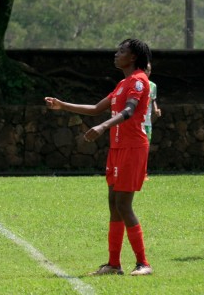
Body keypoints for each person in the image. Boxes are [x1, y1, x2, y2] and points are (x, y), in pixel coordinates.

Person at [45, 38, 153, 277]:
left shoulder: (138, 81)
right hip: (117, 148)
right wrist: (62, 105)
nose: (116, 54)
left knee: (123, 204)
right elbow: (96, 109)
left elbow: (129, 111)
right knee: (114, 203)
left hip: (133, 148)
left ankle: (143, 263)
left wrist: (104, 126)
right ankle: (114, 264)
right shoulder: (122, 83)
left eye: (122, 51)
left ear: (133, 57)